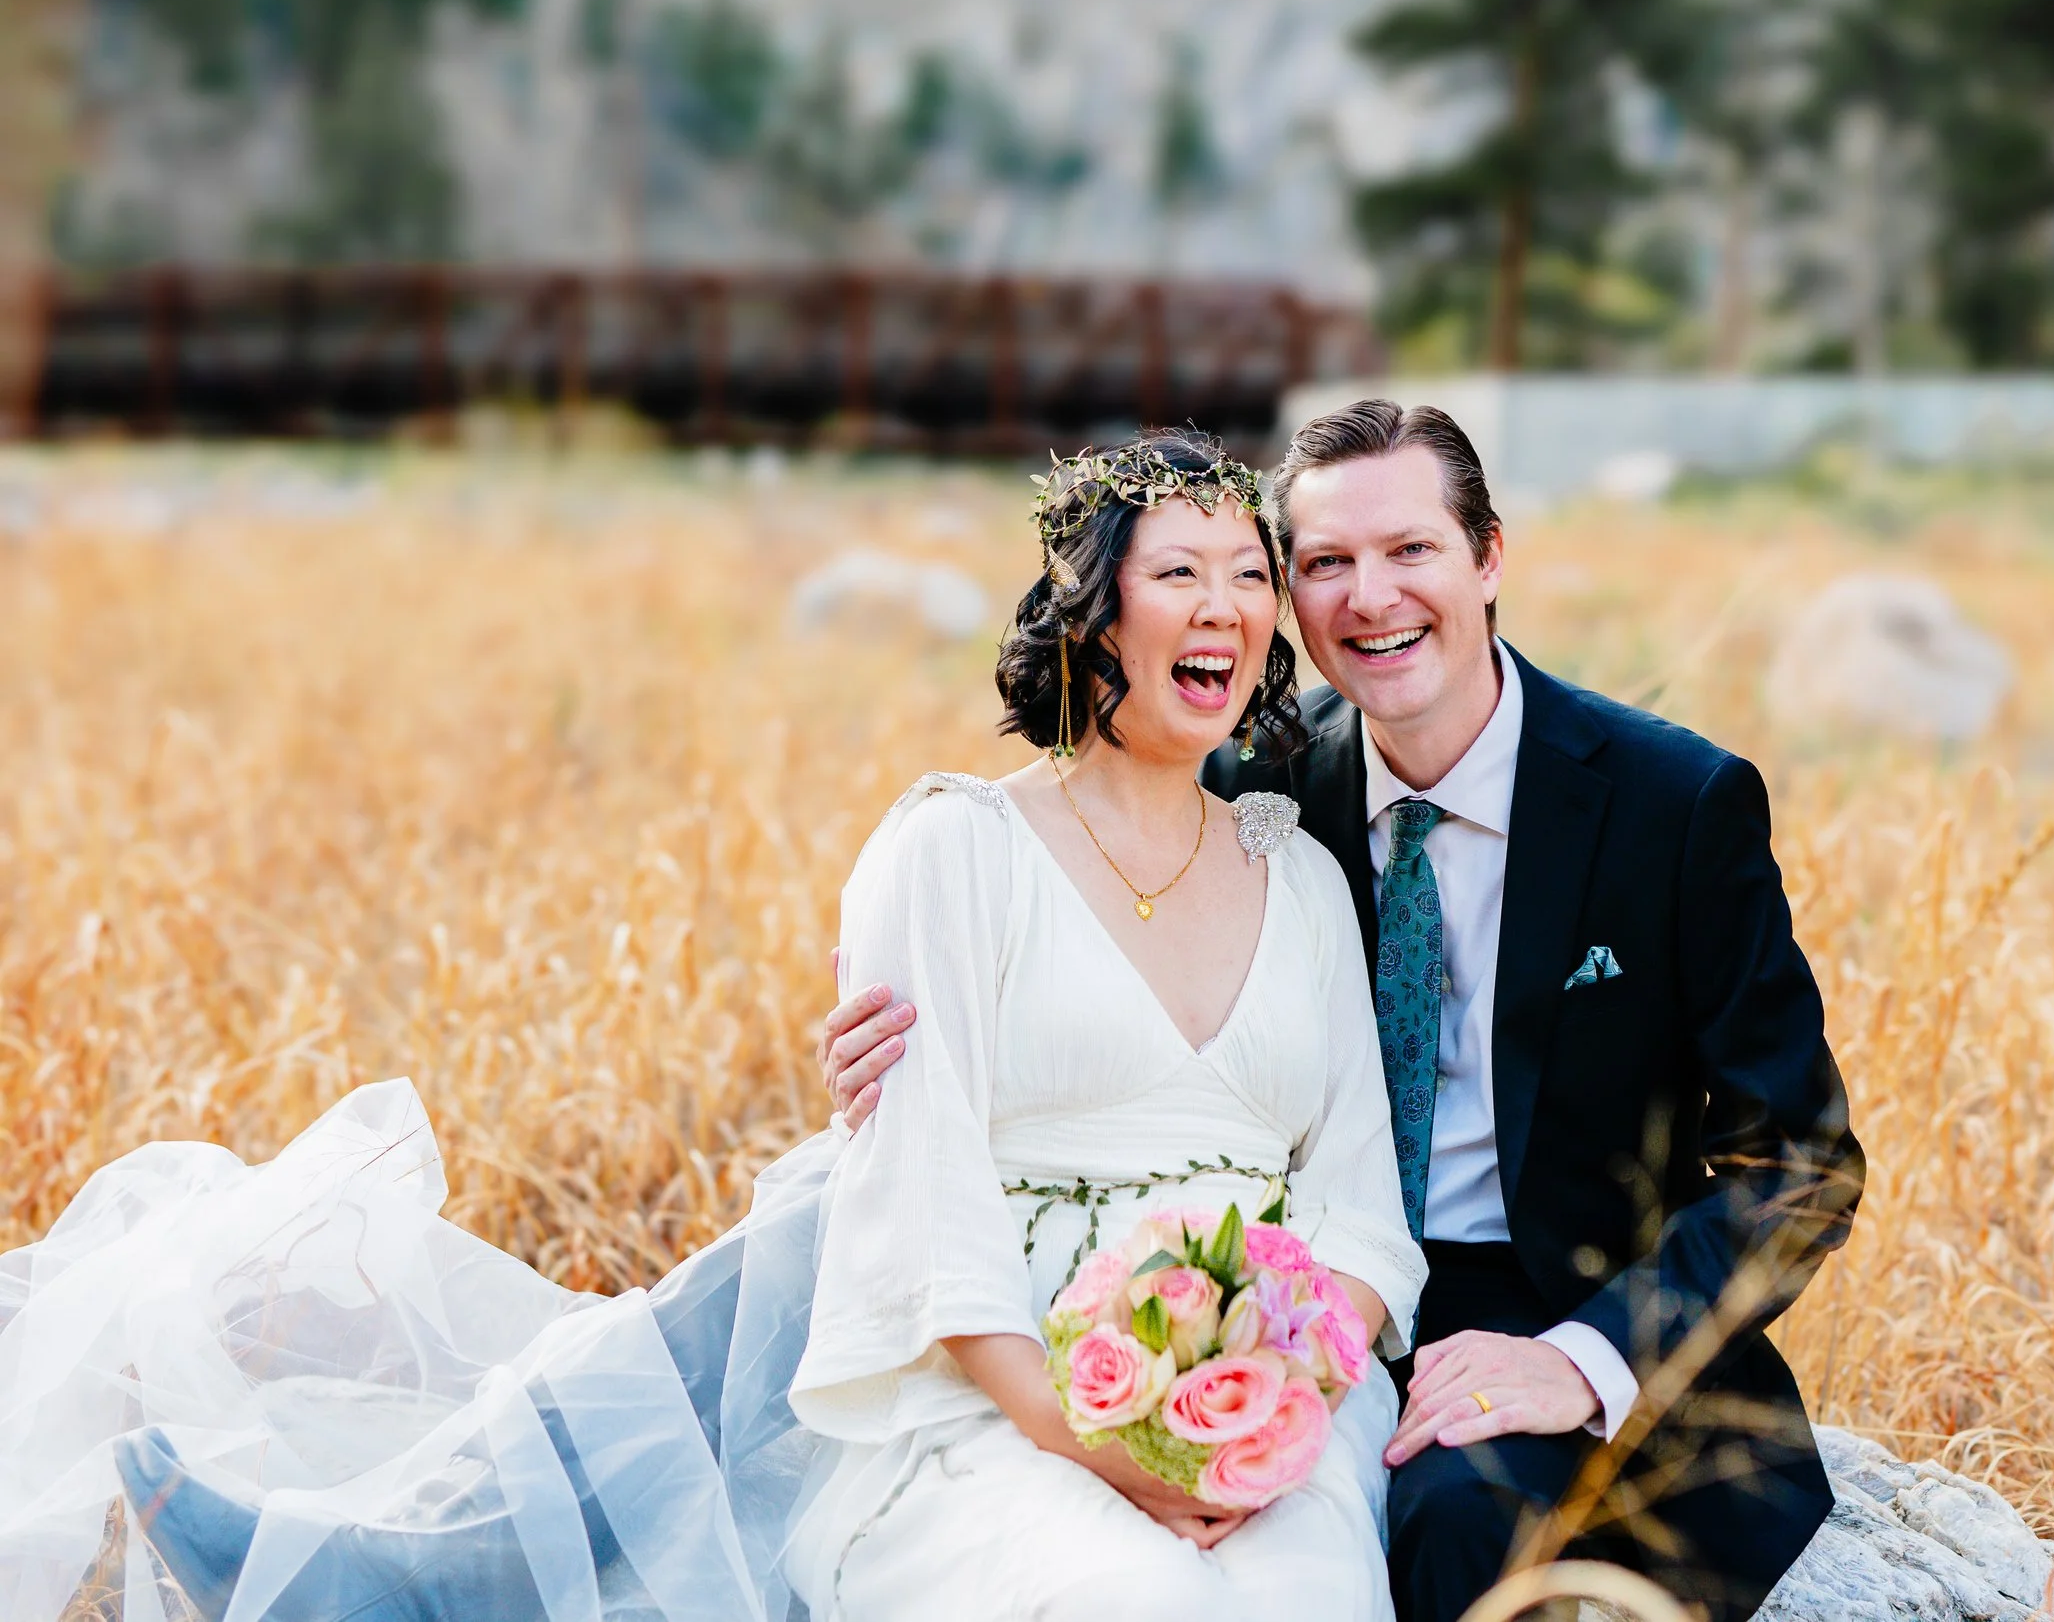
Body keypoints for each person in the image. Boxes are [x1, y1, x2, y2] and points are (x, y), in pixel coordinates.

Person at [3, 432, 1424, 1622]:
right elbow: (924, 1204)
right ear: (1094, 609)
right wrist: (1101, 1445)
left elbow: (1360, 1208)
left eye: (1253, 576)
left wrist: (1266, 1411)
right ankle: (406, 1565)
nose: (1228, 606)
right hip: (1001, 1388)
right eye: (1180, 572)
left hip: (1280, 1414)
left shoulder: (1297, 875)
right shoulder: (955, 852)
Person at [822, 400, 1865, 1622]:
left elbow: (1796, 1160)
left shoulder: (1669, 802)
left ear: (1487, 557)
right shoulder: (1254, 786)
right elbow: (1068, 903)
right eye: (1323, 563)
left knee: (1452, 1522)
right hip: (1276, 1292)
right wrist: (885, 1037)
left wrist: (1577, 1359)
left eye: (1411, 549)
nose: (1370, 596)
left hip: (1553, 1296)